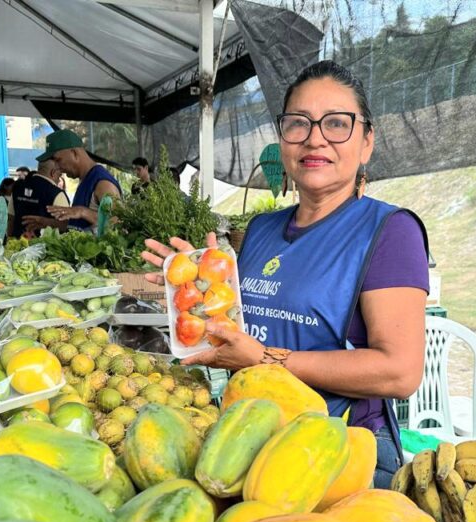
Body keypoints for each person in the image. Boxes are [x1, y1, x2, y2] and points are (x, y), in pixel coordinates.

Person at [141, 60, 428, 489]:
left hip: (335, 452)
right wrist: (197, 295)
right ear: (282, 139)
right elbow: (240, 333)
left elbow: (399, 372)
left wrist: (265, 359)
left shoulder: (389, 231)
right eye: (299, 124)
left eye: (336, 123)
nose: (315, 139)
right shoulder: (261, 229)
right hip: (248, 437)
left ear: (367, 142)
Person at [41, 129, 121, 230]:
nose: (56, 167)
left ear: (74, 153)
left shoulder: (103, 183)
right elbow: (78, 225)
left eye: (58, 160)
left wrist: (82, 212)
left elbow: (116, 222)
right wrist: (45, 222)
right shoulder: (85, 179)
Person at [7, 158, 69, 238]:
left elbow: (11, 218)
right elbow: (66, 225)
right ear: (53, 172)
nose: (58, 180)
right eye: (59, 175)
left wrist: (9, 240)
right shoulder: (56, 193)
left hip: (17, 244)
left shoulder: (18, 187)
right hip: (44, 248)